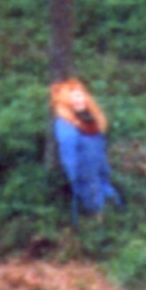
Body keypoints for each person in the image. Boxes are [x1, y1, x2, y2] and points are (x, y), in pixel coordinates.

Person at [49, 78, 121, 215]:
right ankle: (97, 226)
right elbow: (68, 151)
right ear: (66, 102)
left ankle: (117, 217)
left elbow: (100, 143)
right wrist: (73, 174)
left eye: (80, 95)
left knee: (110, 196)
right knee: (94, 202)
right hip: (84, 171)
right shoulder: (65, 124)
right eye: (73, 98)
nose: (79, 101)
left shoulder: (91, 117)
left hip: (100, 167)